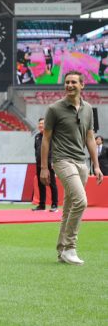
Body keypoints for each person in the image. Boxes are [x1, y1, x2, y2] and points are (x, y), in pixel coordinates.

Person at [40, 70, 103, 266]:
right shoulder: (54, 109)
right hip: (62, 161)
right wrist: (44, 167)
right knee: (81, 202)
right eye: (67, 82)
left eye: (73, 82)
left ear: (82, 85)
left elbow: (90, 138)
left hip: (81, 163)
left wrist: (96, 165)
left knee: (68, 208)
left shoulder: (88, 109)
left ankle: (62, 251)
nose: (69, 85)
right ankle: (70, 247)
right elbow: (46, 138)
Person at [33, 118, 58, 212]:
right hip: (39, 164)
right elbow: (36, 150)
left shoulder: (51, 136)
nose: (40, 125)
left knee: (52, 184)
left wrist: (52, 161)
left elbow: (53, 150)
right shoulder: (37, 136)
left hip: (48, 164)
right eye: (39, 123)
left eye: (42, 123)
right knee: (40, 184)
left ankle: (54, 204)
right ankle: (42, 205)